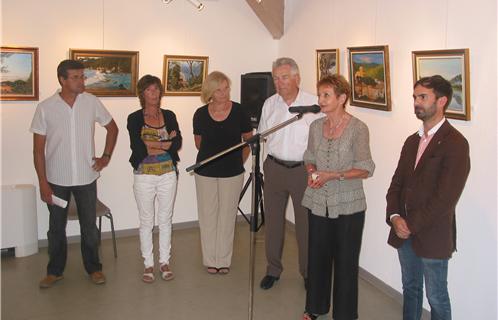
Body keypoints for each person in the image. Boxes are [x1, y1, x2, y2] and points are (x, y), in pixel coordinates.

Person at [386, 75, 470, 320]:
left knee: (436, 296)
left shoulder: (456, 143)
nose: (416, 102)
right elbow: (396, 184)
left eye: (423, 97)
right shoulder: (412, 141)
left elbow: (446, 198)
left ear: (441, 101)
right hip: (403, 230)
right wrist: (394, 217)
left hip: (432, 233)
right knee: (410, 290)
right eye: (415, 97)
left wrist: (410, 224)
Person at [31, 59, 118, 288]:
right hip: (56, 179)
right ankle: (55, 271)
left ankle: (94, 268)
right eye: (76, 77)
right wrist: (43, 183)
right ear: (62, 80)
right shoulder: (45, 107)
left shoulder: (91, 102)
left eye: (82, 76)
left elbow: (112, 128)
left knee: (89, 226)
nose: (82, 81)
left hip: (86, 177)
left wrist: (105, 157)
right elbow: (38, 150)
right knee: (56, 227)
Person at [301, 75, 375, 320]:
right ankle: (314, 308)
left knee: (345, 262)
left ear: (342, 98)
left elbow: (366, 168)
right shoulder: (314, 127)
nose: (320, 100)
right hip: (317, 201)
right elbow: (309, 157)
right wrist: (312, 171)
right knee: (317, 258)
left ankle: (344, 315)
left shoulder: (358, 128)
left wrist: (332, 175)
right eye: (320, 95)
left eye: (326, 95)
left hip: (348, 205)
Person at [257, 57, 321, 290]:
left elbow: (322, 141)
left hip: (302, 171)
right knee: (273, 223)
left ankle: (308, 273)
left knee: (305, 226)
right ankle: (273, 269)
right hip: (274, 168)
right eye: (276, 78)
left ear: (297, 78)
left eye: (284, 77)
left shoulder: (314, 104)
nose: (279, 82)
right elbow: (263, 135)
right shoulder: (270, 104)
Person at [193, 71, 253, 274]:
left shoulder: (239, 111)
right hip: (205, 171)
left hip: (232, 172)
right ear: (210, 91)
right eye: (219, 90)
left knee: (227, 216)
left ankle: (223, 260)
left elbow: (248, 140)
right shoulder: (200, 114)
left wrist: (237, 161)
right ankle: (210, 259)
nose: (224, 93)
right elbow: (198, 143)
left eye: (226, 88)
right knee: (208, 215)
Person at [127, 75, 182, 283]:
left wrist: (156, 143)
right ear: (142, 93)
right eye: (149, 90)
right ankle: (148, 264)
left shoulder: (169, 115)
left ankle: (164, 261)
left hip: (168, 173)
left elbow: (177, 143)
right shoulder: (134, 118)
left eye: (157, 89)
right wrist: (164, 142)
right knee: (146, 220)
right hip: (144, 175)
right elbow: (138, 147)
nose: (154, 94)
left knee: (166, 219)